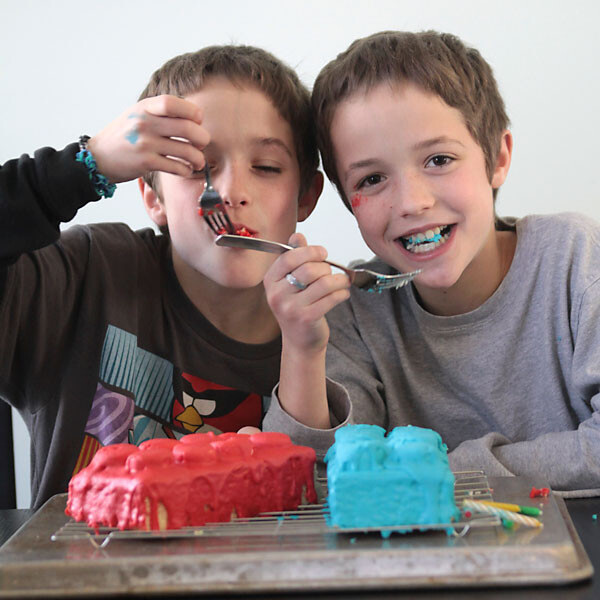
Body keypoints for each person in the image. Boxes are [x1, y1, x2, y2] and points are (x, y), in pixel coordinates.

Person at [262, 30, 600, 497]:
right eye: (373, 178)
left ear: (497, 158)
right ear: (346, 199)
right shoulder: (354, 311)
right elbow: (318, 481)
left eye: (438, 159)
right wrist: (301, 349)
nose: (412, 202)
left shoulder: (577, 262)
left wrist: (442, 470)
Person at [0, 45, 322, 509]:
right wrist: (84, 166)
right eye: (198, 168)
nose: (231, 192)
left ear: (306, 197)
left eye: (266, 167)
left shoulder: (337, 325)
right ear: (153, 197)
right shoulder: (83, 278)